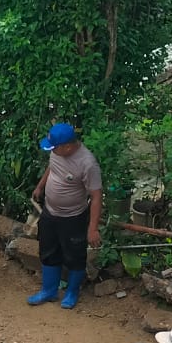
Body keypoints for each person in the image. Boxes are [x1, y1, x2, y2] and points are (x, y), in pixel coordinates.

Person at [28, 122, 103, 309]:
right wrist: (40, 186)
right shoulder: (57, 151)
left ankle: (72, 291)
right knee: (48, 251)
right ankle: (49, 290)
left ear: (68, 146)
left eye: (55, 148)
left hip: (73, 217)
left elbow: (96, 196)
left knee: (75, 256)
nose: (51, 150)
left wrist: (92, 228)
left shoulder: (87, 163)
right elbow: (52, 167)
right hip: (50, 212)